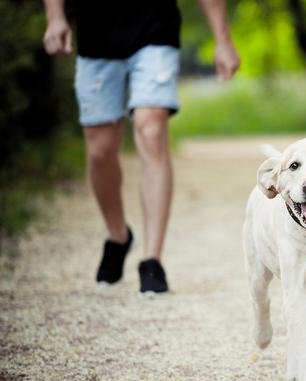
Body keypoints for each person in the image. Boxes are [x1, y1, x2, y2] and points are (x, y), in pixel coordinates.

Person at [42, 0, 240, 294]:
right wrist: (55, 16)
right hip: (96, 38)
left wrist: (222, 39)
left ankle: (152, 260)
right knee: (100, 148)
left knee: (151, 129)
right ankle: (118, 236)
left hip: (156, 32)